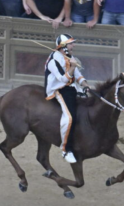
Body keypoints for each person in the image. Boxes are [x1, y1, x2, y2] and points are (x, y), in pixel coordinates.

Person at [44, 34, 90, 163]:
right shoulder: (54, 61)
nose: (73, 46)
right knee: (69, 117)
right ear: (63, 46)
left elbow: (78, 75)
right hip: (59, 89)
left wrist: (86, 86)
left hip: (71, 87)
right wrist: (73, 66)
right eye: (70, 44)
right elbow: (63, 79)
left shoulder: (70, 57)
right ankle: (66, 149)